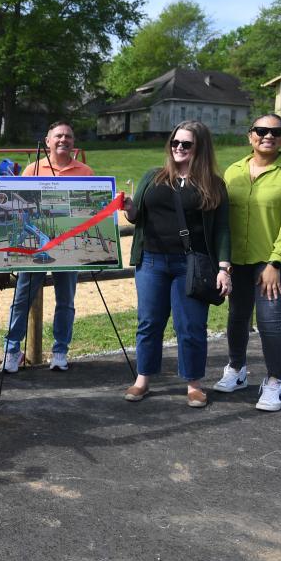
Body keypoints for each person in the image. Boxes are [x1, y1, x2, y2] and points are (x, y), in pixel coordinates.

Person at [122, 120, 231, 408]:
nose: (178, 148)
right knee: (149, 322)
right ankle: (142, 379)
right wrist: (129, 208)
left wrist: (223, 269)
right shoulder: (153, 176)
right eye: (174, 143)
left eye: (186, 144)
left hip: (191, 265)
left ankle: (194, 383)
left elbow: (222, 229)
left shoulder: (213, 184)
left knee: (191, 326)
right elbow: (136, 217)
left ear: (201, 148)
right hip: (152, 261)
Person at [214, 114, 281, 411]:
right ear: (250, 135)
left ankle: (275, 381)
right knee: (237, 316)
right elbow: (223, 219)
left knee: (268, 320)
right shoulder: (232, 172)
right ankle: (237, 369)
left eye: (276, 131)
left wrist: (276, 263)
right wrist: (224, 261)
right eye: (261, 130)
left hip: (273, 262)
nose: (268, 136)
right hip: (238, 261)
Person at [1, 122, 93, 373]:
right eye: (59, 136)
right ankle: (11, 350)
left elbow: (91, 211)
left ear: (74, 142)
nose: (64, 140)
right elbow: (18, 207)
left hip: (69, 246)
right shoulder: (32, 168)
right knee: (22, 299)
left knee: (66, 300)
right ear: (48, 140)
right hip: (36, 246)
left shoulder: (85, 171)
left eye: (69, 136)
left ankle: (60, 350)